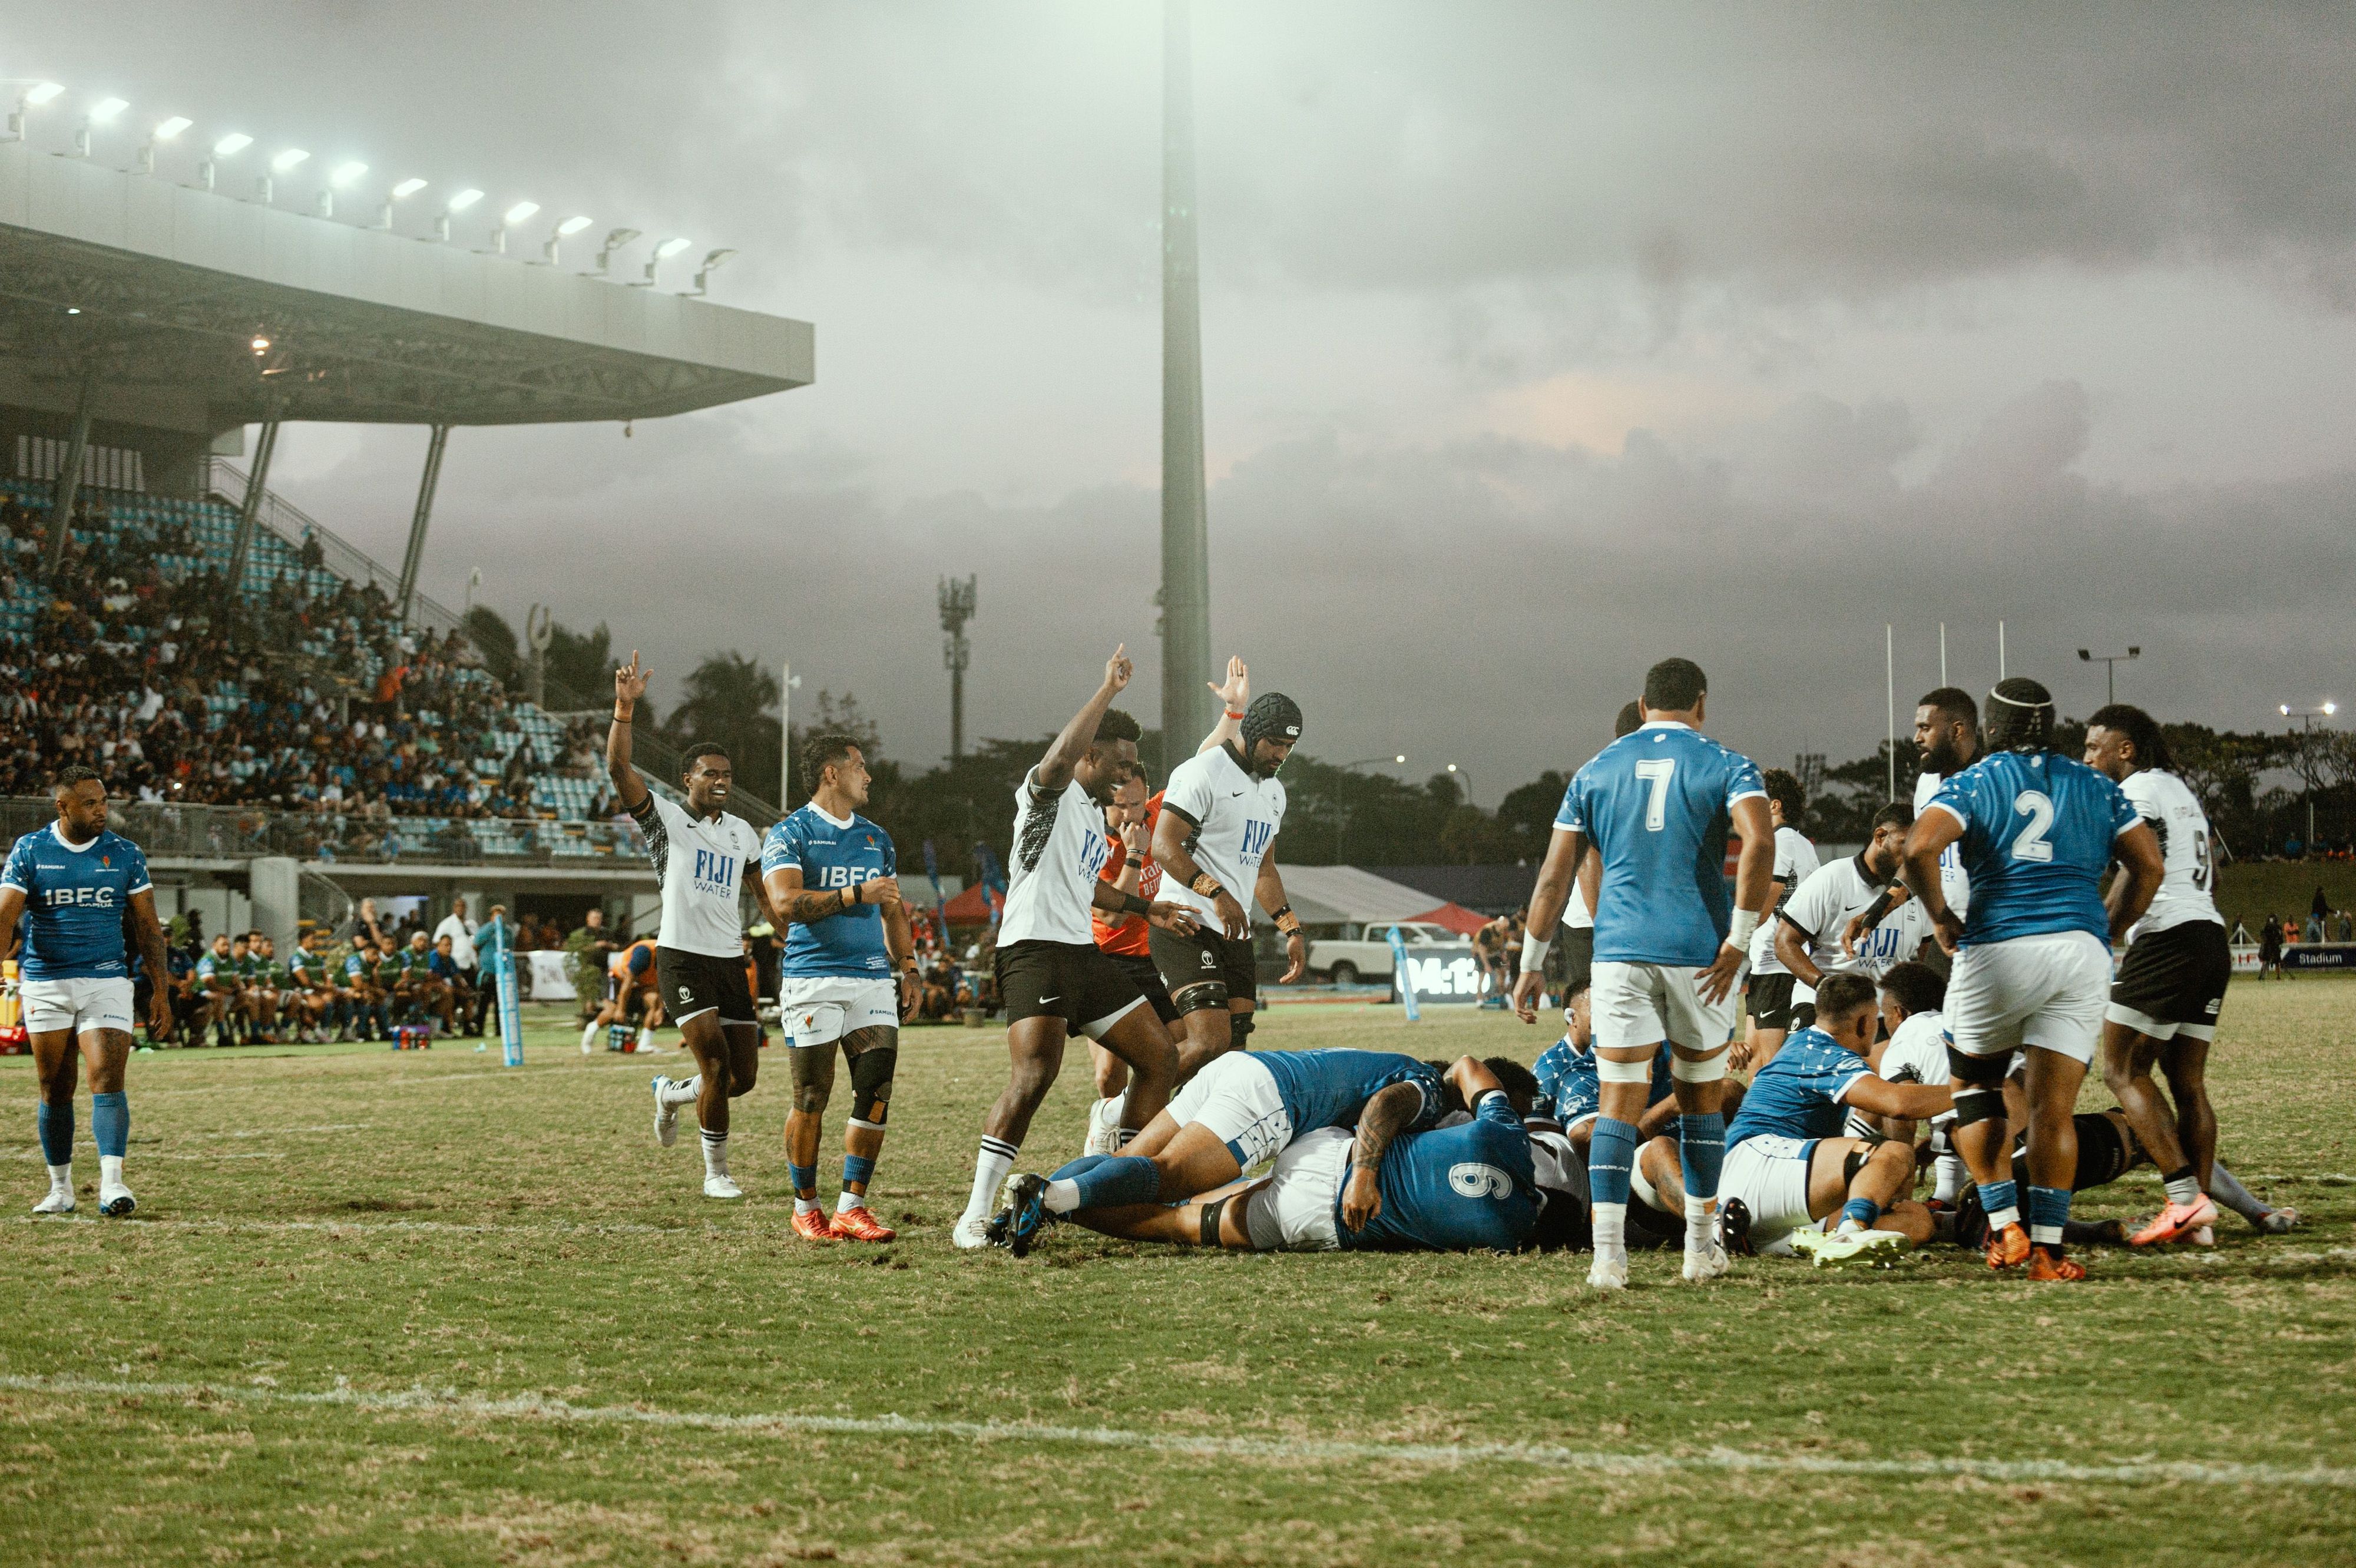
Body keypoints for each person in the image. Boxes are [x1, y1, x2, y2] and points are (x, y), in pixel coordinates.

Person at [1513, 657, 1775, 1289]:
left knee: (1616, 1107)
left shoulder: (1595, 770)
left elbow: (1554, 876)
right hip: (1699, 955)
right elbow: (1760, 842)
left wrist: (1529, 963)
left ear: (1642, 702)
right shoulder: (1727, 762)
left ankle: (1608, 1259)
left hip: (1619, 954)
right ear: (1701, 704)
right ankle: (1698, 1250)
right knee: (1699, 1103)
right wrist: (1740, 940)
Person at [1900, 677, 2163, 1282]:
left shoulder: (1973, 780)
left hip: (1998, 945)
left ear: (1991, 730)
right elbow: (2147, 864)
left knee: (1972, 1089)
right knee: (2053, 1111)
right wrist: (2108, 927)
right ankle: (2049, 1251)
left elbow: (1917, 850)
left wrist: (1940, 917)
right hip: (2079, 952)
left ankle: (2003, 1224)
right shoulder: (2095, 784)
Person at [949, 647, 1203, 1249]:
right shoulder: (1047, 794)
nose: (1127, 771)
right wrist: (1107, 692)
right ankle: (973, 1213)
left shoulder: (1092, 817)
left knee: (1161, 1058)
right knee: (1034, 1076)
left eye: (1134, 763)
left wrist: (1149, 907)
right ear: (1090, 754)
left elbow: (1087, 888)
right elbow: (1061, 754)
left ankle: (1123, 1180)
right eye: (1119, 760)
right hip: (1033, 951)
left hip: (1084, 955)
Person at [1041, 1057, 1537, 1256]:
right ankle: (1056, 1198)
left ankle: (1030, 1199)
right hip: (1274, 1102)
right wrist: (1365, 1175)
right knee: (1169, 1182)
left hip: (1246, 1071)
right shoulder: (1429, 1089)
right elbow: (1384, 1109)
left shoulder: (1404, 1069)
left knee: (1130, 1160)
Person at [609, 651, 780, 1200]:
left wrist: (790, 929)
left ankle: (669, 1095)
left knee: (740, 1079)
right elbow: (619, 769)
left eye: (728, 775)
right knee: (712, 1062)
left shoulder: (744, 834)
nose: (722, 781)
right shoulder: (665, 818)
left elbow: (762, 894)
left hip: (729, 959)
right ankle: (716, 1172)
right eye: (712, 774)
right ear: (689, 778)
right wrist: (624, 708)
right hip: (681, 956)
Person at [1082, 657, 1250, 1155]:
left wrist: (1233, 715)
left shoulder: (1159, 814)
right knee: (1110, 1070)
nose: (1131, 815)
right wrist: (1134, 852)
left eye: (1138, 805)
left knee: (1189, 1047)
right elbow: (1111, 914)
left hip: (1157, 959)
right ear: (1104, 803)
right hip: (1108, 961)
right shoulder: (1096, 837)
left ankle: (1147, 1134)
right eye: (1121, 807)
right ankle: (1109, 1121)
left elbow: (1205, 758)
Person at [2083, 704, 2237, 1247]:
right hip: (2208, 936)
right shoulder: (2179, 790)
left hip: (2169, 939)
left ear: (2125, 750)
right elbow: (2212, 873)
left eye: (2093, 747)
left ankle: (2183, 1200)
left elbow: (2137, 870)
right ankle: (2198, 1223)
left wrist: (2102, 932)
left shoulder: (2139, 791)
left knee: (2121, 1068)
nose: (2086, 757)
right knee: (2186, 1080)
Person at [756, 732, 916, 1243]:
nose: (868, 775)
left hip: (871, 980)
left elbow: (893, 907)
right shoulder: (789, 833)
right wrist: (854, 894)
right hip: (812, 981)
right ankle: (807, 1209)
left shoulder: (877, 838)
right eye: (860, 766)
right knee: (811, 1095)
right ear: (832, 773)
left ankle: (853, 1207)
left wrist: (909, 966)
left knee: (876, 1092)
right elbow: (783, 904)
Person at [0, 766, 173, 1216]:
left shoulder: (125, 853)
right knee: (54, 1087)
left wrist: (161, 991)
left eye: (104, 802)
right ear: (63, 806)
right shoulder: (32, 850)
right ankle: (61, 1190)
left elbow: (148, 928)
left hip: (106, 979)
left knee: (106, 1077)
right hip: (45, 980)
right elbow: (4, 918)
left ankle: (113, 1185)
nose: (102, 811)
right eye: (91, 804)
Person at [1715, 973, 1954, 1266]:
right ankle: (1851, 1232)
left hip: (1777, 1184)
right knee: (1893, 1153)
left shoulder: (1809, 1044)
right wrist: (1975, 1090)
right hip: (1757, 1165)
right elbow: (1898, 1103)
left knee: (1916, 1222)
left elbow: (1880, 1098)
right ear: (1865, 1022)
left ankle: (1784, 1241)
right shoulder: (1823, 1054)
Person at [1147, 685, 1310, 1079]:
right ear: (1252, 732)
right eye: (1274, 743)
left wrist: (1290, 928)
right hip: (1186, 924)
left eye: (1289, 746)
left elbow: (1264, 869)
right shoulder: (1202, 771)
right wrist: (1216, 892)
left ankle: (1193, 1134)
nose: (1281, 754)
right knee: (1209, 1042)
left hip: (1235, 933)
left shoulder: (1274, 792)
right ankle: (1120, 1112)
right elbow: (1163, 845)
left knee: (1232, 1053)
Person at [1769, 802, 1934, 1010]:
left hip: (1886, 1011)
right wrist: (1825, 986)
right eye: (1904, 844)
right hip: (1823, 1003)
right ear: (1880, 837)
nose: (1911, 857)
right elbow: (1784, 942)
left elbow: (1930, 958)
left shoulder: (1919, 891)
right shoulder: (1831, 878)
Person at [1735, 768, 1820, 1070]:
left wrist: (1730, 940)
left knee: (1771, 1064)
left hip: (1778, 965)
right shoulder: (1801, 843)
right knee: (1755, 1060)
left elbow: (1765, 903)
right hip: (1769, 965)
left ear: (1775, 805)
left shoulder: (1781, 841)